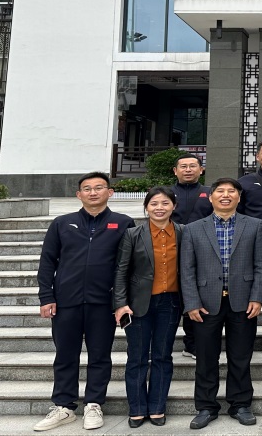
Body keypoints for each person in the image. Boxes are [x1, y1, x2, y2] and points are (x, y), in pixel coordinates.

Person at [34, 172, 134, 432]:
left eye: (99, 187)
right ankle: (64, 406)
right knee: (65, 355)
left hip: (103, 302)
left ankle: (93, 403)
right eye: (87, 189)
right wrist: (46, 296)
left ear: (110, 192)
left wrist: (121, 301)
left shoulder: (123, 223)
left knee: (100, 355)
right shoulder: (62, 223)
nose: (93, 192)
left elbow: (129, 265)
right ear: (78, 195)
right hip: (66, 301)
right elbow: (47, 262)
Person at [180, 178, 262, 430]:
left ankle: (240, 404)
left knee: (240, 356)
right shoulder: (193, 229)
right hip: (206, 303)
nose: (226, 195)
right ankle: (206, 406)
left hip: (243, 301)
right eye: (220, 191)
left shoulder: (254, 225)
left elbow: (261, 265)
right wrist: (191, 303)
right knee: (206, 358)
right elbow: (187, 270)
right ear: (211, 197)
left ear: (239, 197)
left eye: (231, 191)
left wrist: (257, 297)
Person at [113, 187, 183, 428]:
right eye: (154, 204)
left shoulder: (183, 232)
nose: (159, 208)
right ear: (146, 207)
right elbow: (121, 270)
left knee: (163, 355)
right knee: (137, 356)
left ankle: (157, 406)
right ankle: (137, 408)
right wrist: (120, 304)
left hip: (170, 303)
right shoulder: (133, 234)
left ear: (173, 206)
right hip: (138, 304)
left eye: (165, 203)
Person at [168, 152, 211, 360]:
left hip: (203, 252)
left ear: (201, 170)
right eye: (183, 166)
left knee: (197, 296)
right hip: (170, 251)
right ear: (175, 171)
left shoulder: (210, 192)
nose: (188, 170)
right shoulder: (166, 194)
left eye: (192, 166)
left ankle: (193, 344)